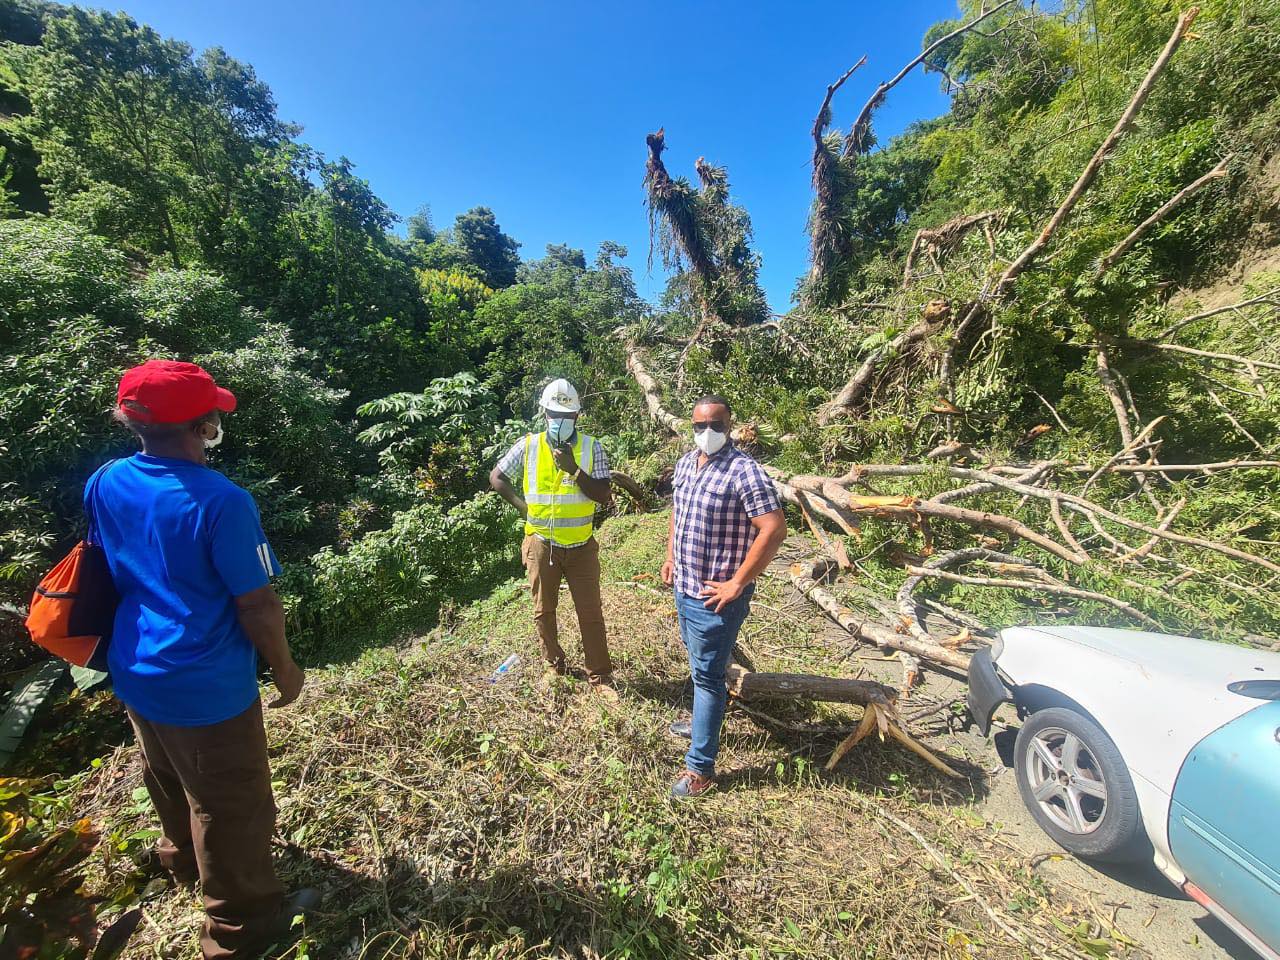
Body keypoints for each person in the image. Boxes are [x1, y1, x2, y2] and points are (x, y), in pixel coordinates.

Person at [89, 360, 318, 959]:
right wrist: (286, 669)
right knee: (232, 804)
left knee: (166, 775)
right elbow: (258, 603)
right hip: (206, 684)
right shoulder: (223, 501)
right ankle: (241, 929)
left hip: (134, 667)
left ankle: (182, 863)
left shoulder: (107, 480)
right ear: (202, 426)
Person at [662, 394, 786, 798]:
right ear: (691, 426)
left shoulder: (744, 472)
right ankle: (703, 721)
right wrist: (670, 558)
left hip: (717, 597)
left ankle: (700, 769)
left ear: (730, 426)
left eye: (716, 425)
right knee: (701, 668)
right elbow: (678, 513)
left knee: (709, 676)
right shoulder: (685, 463)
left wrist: (737, 583)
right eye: (700, 426)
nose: (707, 433)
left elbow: (773, 529)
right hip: (685, 586)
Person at [489, 378, 617, 697]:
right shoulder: (529, 445)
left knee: (590, 613)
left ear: (577, 415)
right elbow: (497, 477)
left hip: (580, 547)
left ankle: (600, 677)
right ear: (543, 412)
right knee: (544, 609)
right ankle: (554, 665)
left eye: (567, 415)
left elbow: (603, 495)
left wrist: (573, 469)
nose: (560, 421)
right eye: (554, 414)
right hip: (540, 543)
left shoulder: (591, 447)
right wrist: (524, 509)